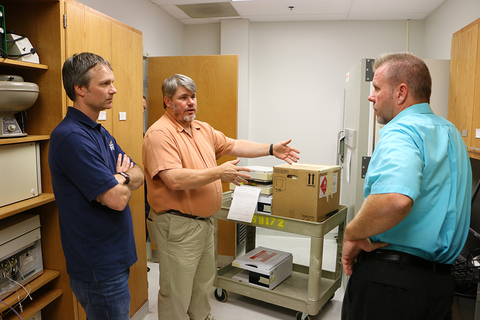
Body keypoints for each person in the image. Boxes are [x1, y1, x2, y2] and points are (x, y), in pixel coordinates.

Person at [143, 74, 300, 320]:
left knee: (202, 285)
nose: (191, 102)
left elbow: (234, 145)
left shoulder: (201, 128)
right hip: (177, 225)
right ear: (168, 101)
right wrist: (220, 172)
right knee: (176, 292)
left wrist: (270, 149)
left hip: (204, 223)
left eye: (193, 97)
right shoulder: (159, 134)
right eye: (183, 98)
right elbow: (173, 179)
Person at [341, 52, 472, 320]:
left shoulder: (402, 131)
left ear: (401, 92)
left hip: (391, 284)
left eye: (377, 88)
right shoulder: (451, 133)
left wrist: (351, 234)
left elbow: (395, 199)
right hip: (438, 285)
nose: (371, 96)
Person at [48, 52, 144, 320]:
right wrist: (120, 180)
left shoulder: (98, 131)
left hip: (115, 258)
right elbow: (117, 200)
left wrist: (122, 176)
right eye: (104, 84)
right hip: (98, 267)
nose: (114, 90)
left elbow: (139, 173)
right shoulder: (70, 138)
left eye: (112, 82)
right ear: (79, 89)